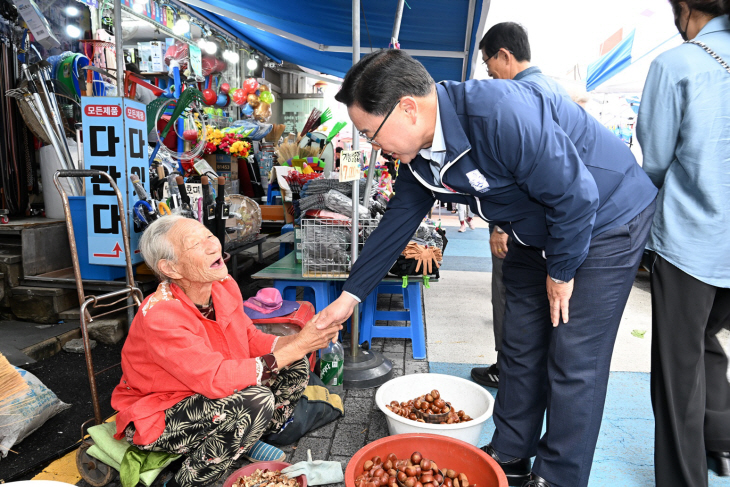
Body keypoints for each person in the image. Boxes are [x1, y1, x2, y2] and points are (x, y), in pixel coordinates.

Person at [313, 49, 657, 487]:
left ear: (407, 108)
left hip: (606, 217)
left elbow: (577, 196)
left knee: (574, 356)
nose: (370, 144)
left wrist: (562, 273)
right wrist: (349, 296)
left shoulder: (499, 115)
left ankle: (558, 476)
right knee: (519, 343)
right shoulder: (419, 156)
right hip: (534, 228)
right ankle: (511, 453)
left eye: (370, 132)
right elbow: (398, 222)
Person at [111, 216, 342, 487]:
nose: (212, 246)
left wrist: (304, 339)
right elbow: (215, 378)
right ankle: (183, 481)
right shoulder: (161, 314)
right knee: (256, 401)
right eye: (196, 244)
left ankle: (247, 441)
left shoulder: (223, 286)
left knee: (296, 364)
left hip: (208, 394)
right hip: (160, 412)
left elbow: (250, 337)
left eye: (209, 236)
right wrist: (300, 344)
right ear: (170, 268)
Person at [636, 1, 730, 485]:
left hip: (693, 245)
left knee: (676, 376)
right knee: (706, 338)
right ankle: (722, 437)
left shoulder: (678, 64)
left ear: (684, 8)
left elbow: (654, 162)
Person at [470, 22, 574, 390]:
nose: (489, 72)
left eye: (488, 64)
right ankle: (527, 368)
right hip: (556, 225)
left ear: (504, 55)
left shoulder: (516, 96)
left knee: (513, 295)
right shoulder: (552, 89)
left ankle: (509, 366)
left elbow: (516, 171)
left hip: (527, 223)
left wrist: (499, 224)